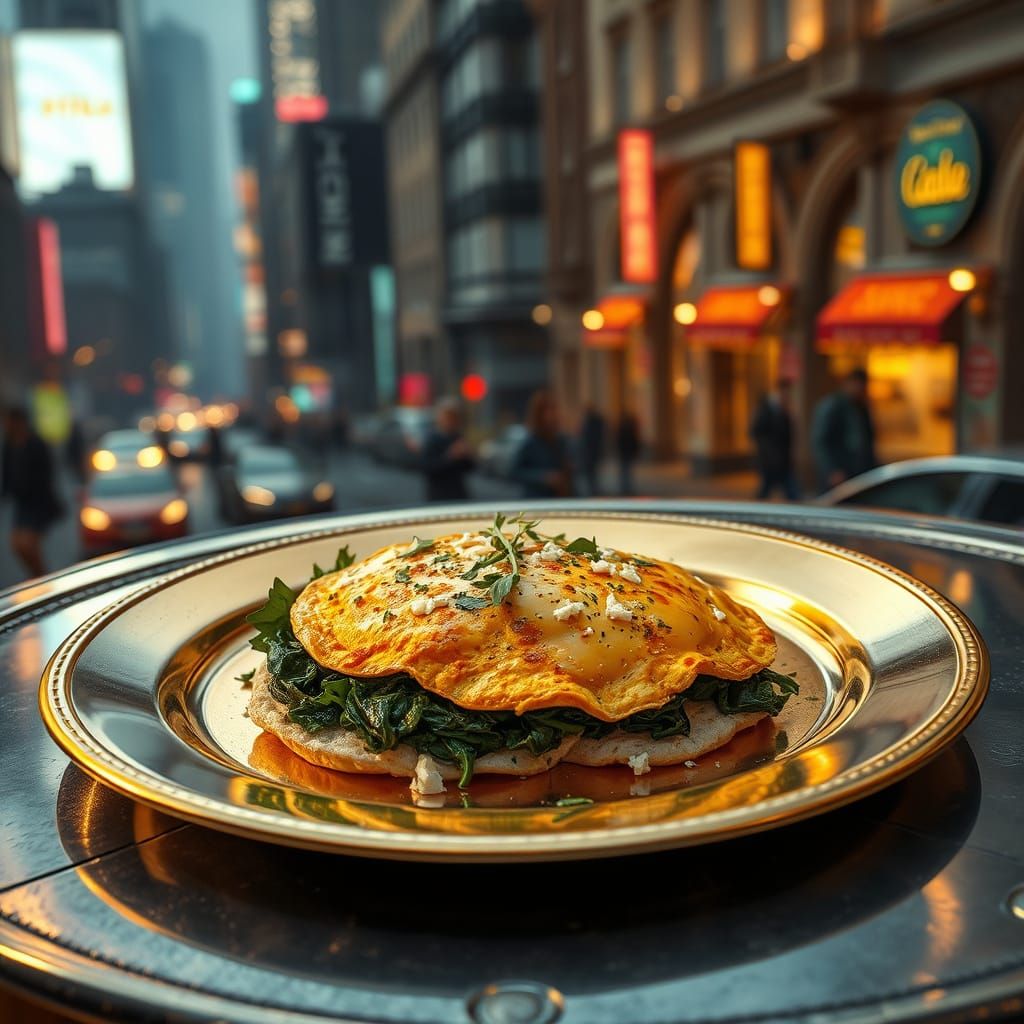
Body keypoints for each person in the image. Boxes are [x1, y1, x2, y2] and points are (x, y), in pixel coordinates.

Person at [0, 407, 63, 579]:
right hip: (22, 501)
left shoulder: (36, 443)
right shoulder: (9, 443)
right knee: (17, 544)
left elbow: (46, 477)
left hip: (38, 502)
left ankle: (41, 578)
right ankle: (37, 576)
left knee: (28, 544)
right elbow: (7, 473)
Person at [811, 368, 877, 492]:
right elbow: (820, 441)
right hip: (840, 471)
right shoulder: (833, 406)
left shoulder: (861, 408)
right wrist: (831, 469)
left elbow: (867, 440)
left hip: (858, 471)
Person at [510, 390, 573, 498]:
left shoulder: (560, 440)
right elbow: (514, 472)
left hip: (559, 499)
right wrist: (543, 478)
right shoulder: (531, 442)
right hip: (537, 500)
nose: (553, 414)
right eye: (548, 410)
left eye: (554, 409)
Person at [750, 380, 800, 500]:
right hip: (770, 461)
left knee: (792, 492)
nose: (788, 396)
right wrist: (769, 454)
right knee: (767, 490)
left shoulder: (785, 410)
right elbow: (756, 432)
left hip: (783, 461)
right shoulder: (768, 409)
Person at [420, 398, 475, 502]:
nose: (451, 421)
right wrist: (450, 456)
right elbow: (428, 468)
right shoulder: (432, 439)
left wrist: (467, 454)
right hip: (438, 494)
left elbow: (469, 468)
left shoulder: (457, 437)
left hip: (458, 493)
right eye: (448, 417)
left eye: (454, 418)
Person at [577, 403, 606, 496]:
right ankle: (592, 491)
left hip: (591, 452)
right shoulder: (592, 421)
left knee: (591, 474)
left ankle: (593, 491)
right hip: (590, 453)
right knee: (591, 474)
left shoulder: (592, 422)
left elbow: (590, 438)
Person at [615, 407, 641, 496]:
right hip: (625, 452)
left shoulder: (625, 428)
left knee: (626, 471)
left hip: (626, 452)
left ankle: (626, 488)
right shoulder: (627, 427)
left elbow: (632, 441)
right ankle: (625, 488)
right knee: (626, 471)